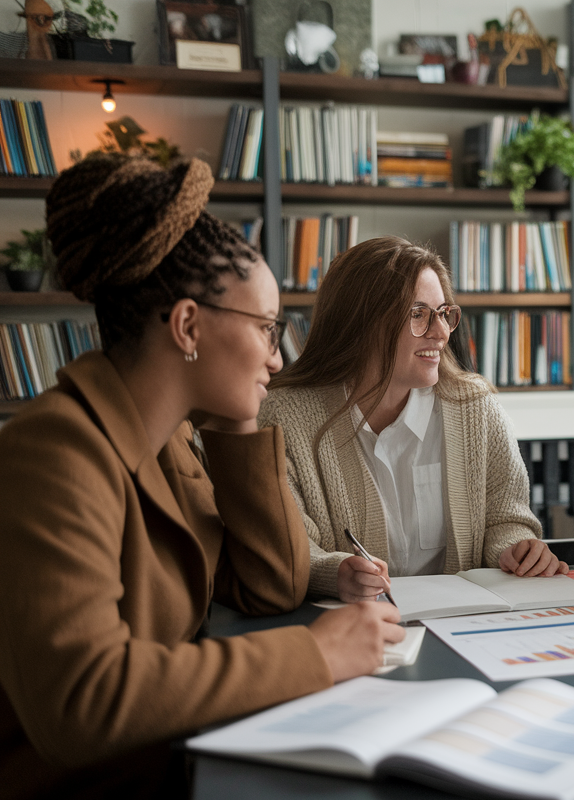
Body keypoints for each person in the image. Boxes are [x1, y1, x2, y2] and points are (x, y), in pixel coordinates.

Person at [0, 154, 402, 799]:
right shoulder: (55, 451)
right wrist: (316, 656)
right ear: (188, 325)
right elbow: (82, 701)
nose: (278, 355)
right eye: (268, 329)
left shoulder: (173, 442)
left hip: (180, 765)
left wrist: (235, 421)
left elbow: (271, 586)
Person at [258, 236, 566, 604]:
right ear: (360, 323)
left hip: (464, 628)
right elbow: (285, 542)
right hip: (349, 632)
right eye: (418, 314)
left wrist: (515, 548)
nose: (441, 333)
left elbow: (506, 517)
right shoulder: (283, 418)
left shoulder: (476, 407)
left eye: (443, 313)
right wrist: (334, 571)